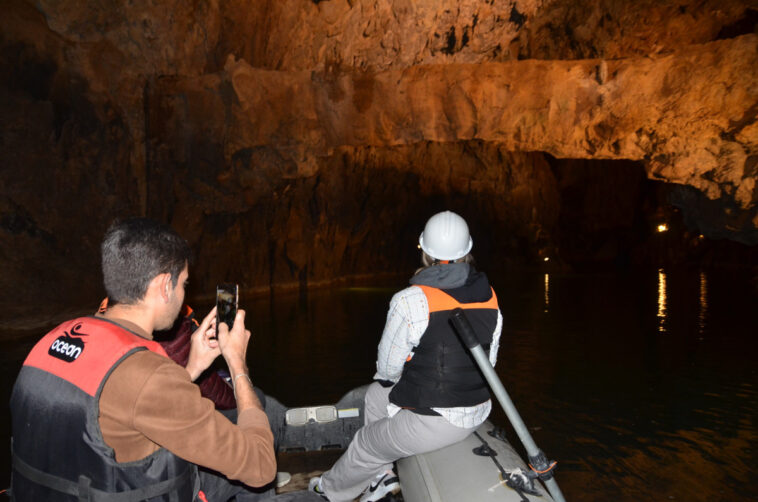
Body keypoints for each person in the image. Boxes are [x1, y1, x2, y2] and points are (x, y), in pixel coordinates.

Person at [10, 217, 278, 501]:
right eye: (184, 284)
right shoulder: (148, 375)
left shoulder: (50, 341)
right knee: (259, 453)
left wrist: (192, 368)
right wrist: (237, 364)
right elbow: (260, 465)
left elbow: (125, 405)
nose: (184, 293)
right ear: (165, 286)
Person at [309, 210, 503, 502]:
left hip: (439, 421)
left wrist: (414, 373)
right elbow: (490, 363)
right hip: (477, 409)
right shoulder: (490, 295)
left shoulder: (410, 300)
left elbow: (388, 368)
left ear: (424, 250)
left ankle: (328, 490)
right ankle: (381, 479)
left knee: (364, 442)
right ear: (468, 252)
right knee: (375, 397)